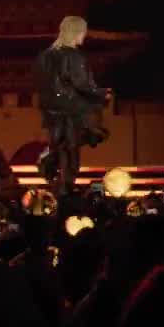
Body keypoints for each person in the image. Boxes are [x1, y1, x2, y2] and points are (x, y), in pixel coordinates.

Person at [34, 15, 111, 196]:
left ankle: (51, 167)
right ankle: (65, 189)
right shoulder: (74, 56)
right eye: (82, 31)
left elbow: (41, 82)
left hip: (51, 111)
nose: (84, 35)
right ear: (75, 32)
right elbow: (82, 84)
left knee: (61, 148)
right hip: (72, 111)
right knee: (71, 154)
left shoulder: (46, 55)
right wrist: (102, 94)